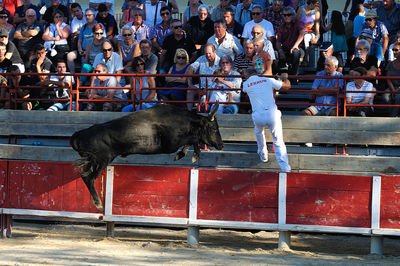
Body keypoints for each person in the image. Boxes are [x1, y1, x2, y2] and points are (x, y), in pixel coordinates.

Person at [242, 66, 291, 172]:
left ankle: (263, 153)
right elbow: (287, 86)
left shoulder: (245, 84)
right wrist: (284, 78)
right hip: (272, 113)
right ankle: (285, 167)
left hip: (258, 115)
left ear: (247, 74)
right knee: (278, 141)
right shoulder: (268, 79)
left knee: (259, 132)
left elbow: (246, 92)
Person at [67, 8, 104, 74]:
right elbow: (79, 40)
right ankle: (73, 77)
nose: (87, 17)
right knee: (70, 55)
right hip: (83, 51)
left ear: (94, 16)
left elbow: (103, 40)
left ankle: (84, 79)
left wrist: (87, 51)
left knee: (85, 63)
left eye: (89, 15)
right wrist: (80, 49)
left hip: (95, 51)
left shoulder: (99, 26)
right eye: (86, 15)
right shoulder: (83, 27)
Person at [185, 43, 220, 111]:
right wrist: (190, 84)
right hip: (201, 86)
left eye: (209, 53)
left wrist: (209, 88)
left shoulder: (220, 61)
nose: (207, 55)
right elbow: (191, 68)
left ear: (214, 52)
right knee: (190, 90)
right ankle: (188, 112)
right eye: (206, 53)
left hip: (213, 88)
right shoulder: (202, 58)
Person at [276, 6, 305, 77]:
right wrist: (280, 50)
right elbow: (278, 41)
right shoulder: (282, 26)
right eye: (284, 15)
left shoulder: (298, 23)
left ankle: (294, 76)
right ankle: (279, 75)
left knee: (295, 52)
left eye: (289, 15)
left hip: (298, 49)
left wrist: (295, 45)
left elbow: (302, 32)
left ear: (293, 15)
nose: (286, 17)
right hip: (285, 49)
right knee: (275, 53)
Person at [296, 0, 320, 66]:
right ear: (312, 3)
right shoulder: (301, 9)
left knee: (306, 38)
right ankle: (303, 58)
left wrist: (317, 36)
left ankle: (306, 58)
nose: (318, 5)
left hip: (311, 32)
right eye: (317, 3)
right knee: (303, 36)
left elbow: (317, 24)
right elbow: (296, 21)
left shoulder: (316, 11)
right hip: (301, 30)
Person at [385, 42, 400, 117]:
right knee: (386, 96)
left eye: (396, 50)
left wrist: (398, 91)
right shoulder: (390, 63)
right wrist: (393, 90)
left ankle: (392, 117)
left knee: (398, 97)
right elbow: (388, 78)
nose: (394, 52)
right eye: (393, 50)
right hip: (392, 87)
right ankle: (392, 115)